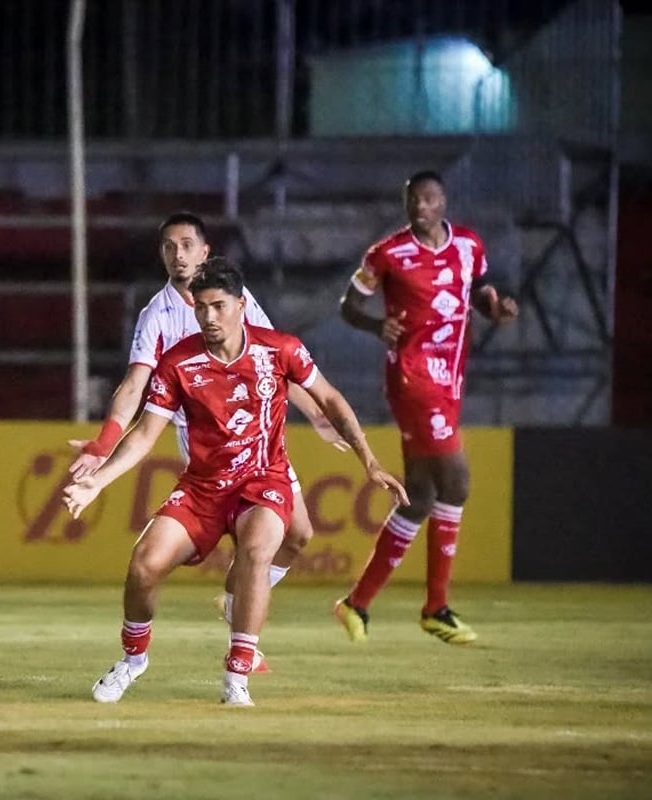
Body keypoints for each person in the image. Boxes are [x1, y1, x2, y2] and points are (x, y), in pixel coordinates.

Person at [64, 258, 407, 706]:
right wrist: (98, 481)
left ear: (241, 305)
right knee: (144, 565)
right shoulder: (179, 362)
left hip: (263, 480)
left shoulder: (279, 349)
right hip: (203, 488)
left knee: (259, 548)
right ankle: (133, 660)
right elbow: (146, 434)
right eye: (201, 307)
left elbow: (330, 399)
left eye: (218, 306)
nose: (209, 317)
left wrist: (370, 460)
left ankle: (236, 677)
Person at [68, 212, 348, 659]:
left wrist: (316, 414)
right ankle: (241, 641)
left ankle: (236, 600)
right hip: (205, 440)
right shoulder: (157, 315)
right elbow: (134, 385)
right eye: (167, 247)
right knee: (251, 539)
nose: (177, 255)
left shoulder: (233, 296)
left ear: (204, 250)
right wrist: (105, 443)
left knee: (297, 536)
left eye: (185, 245)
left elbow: (273, 358)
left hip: (258, 437)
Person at [333, 170, 519, 645]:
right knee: (456, 480)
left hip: (451, 377)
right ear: (406, 203)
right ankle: (436, 606)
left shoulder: (469, 247)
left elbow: (475, 293)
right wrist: (377, 328)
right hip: (414, 378)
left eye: (429, 199)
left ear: (443, 203)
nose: (420, 207)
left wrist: (493, 308)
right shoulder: (387, 254)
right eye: (413, 199)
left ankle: (357, 604)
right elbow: (348, 305)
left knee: (419, 494)